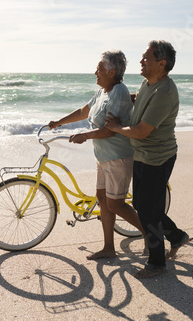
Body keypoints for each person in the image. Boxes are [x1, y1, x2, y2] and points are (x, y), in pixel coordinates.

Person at [49, 50, 147, 260]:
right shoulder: (103, 91)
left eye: (100, 68)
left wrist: (84, 135)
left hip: (118, 157)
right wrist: (59, 122)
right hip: (103, 156)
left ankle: (150, 236)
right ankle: (109, 248)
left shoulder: (119, 92)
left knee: (115, 204)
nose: (96, 72)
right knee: (103, 200)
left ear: (112, 72)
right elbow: (84, 111)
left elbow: (110, 130)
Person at [105, 40, 189, 279]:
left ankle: (157, 263)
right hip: (142, 155)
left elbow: (142, 131)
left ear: (161, 64)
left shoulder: (165, 92)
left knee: (148, 211)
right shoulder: (148, 83)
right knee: (142, 206)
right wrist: (122, 98)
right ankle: (176, 236)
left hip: (158, 158)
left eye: (146, 58)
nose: (141, 61)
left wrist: (117, 127)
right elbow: (141, 98)